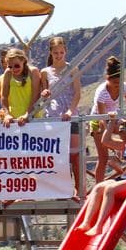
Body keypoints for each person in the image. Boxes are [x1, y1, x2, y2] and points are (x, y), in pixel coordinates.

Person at [76, 113, 126, 237]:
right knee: (98, 188)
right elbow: (105, 141)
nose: (125, 142)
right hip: (125, 178)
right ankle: (86, 222)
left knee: (110, 189)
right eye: (123, 139)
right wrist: (112, 121)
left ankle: (99, 226)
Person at [41, 36, 83, 195]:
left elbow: (77, 93)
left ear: (65, 52)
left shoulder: (73, 68)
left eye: (61, 52)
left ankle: (79, 189)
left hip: (70, 115)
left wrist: (71, 110)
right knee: (59, 155)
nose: (59, 55)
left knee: (75, 153)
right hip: (53, 115)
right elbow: (43, 95)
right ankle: (62, 189)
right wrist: (44, 93)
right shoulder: (45, 72)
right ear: (51, 53)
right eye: (56, 53)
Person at [89, 56, 126, 182]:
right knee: (103, 158)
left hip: (114, 117)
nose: (117, 86)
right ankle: (98, 187)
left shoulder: (124, 87)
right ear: (108, 79)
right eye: (115, 83)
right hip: (99, 120)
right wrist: (110, 139)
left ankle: (122, 159)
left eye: (119, 83)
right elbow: (102, 118)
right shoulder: (101, 92)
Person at [1, 47, 42, 127]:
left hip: (33, 117)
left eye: (17, 66)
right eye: (10, 67)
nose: (13, 69)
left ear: (23, 60)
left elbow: (35, 95)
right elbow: (4, 96)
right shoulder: (8, 73)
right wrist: (7, 114)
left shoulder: (33, 72)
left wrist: (28, 114)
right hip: (13, 119)